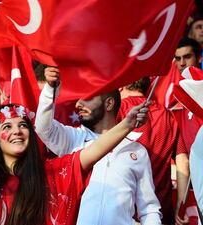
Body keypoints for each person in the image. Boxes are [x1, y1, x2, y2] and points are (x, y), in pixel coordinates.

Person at [0, 102, 149, 225]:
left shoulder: (52, 171)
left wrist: (127, 124)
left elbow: (93, 151)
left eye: (23, 125)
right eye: (7, 127)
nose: (17, 131)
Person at [34, 67, 161, 225]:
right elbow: (42, 128)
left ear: (109, 104)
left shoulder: (137, 151)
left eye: (87, 98)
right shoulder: (73, 139)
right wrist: (50, 89)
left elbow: (148, 208)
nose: (79, 103)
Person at [119, 77, 190, 225]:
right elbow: (182, 160)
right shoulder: (167, 114)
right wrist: (180, 203)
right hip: (161, 212)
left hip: (125, 212)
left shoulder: (117, 111)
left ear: (121, 85)